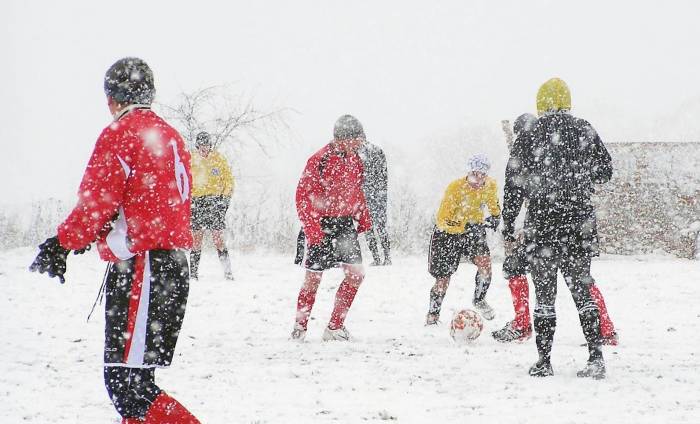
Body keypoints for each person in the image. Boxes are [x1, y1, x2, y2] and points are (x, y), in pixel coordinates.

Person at [29, 57, 200, 423]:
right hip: (169, 265)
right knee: (136, 381)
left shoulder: (122, 132)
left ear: (111, 98)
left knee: (126, 386)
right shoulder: (170, 135)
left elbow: (98, 200)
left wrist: (62, 243)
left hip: (143, 266)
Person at [502, 78, 613, 379]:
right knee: (582, 289)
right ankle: (595, 356)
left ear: (539, 104)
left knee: (544, 294)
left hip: (542, 224)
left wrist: (509, 221)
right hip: (579, 221)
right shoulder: (583, 129)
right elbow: (606, 170)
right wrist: (578, 174)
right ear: (567, 101)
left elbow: (513, 183)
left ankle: (544, 360)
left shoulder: (528, 134)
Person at [292, 114, 372, 342]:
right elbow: (303, 198)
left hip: (345, 225)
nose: (360, 143)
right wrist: (313, 230)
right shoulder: (319, 160)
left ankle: (334, 328)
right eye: (357, 139)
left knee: (356, 276)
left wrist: (361, 214)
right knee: (313, 279)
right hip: (321, 225)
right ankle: (300, 328)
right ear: (343, 138)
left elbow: (355, 190)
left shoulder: (356, 159)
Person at [425, 154, 501, 325]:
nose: (478, 178)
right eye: (475, 173)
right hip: (447, 234)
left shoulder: (490, 185)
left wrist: (496, 216)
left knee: (485, 264)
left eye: (482, 174)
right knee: (443, 279)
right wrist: (464, 225)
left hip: (473, 232)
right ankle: (432, 315)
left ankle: (479, 299)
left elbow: (493, 203)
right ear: (469, 172)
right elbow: (443, 219)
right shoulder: (455, 187)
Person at [189, 131, 235, 281]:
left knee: (218, 239)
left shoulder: (218, 159)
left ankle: (228, 272)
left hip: (215, 202)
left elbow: (229, 180)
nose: (204, 148)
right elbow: (183, 180)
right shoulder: (190, 159)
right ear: (197, 146)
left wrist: (225, 199)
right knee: (196, 239)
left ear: (210, 145)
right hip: (197, 202)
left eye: (207, 145)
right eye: (201, 145)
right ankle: (193, 274)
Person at [358, 140, 391, 266]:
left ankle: (377, 258)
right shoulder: (377, 150)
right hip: (378, 194)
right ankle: (386, 257)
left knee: (369, 228)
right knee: (380, 227)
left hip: (368, 195)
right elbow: (384, 174)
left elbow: (359, 176)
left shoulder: (360, 153)